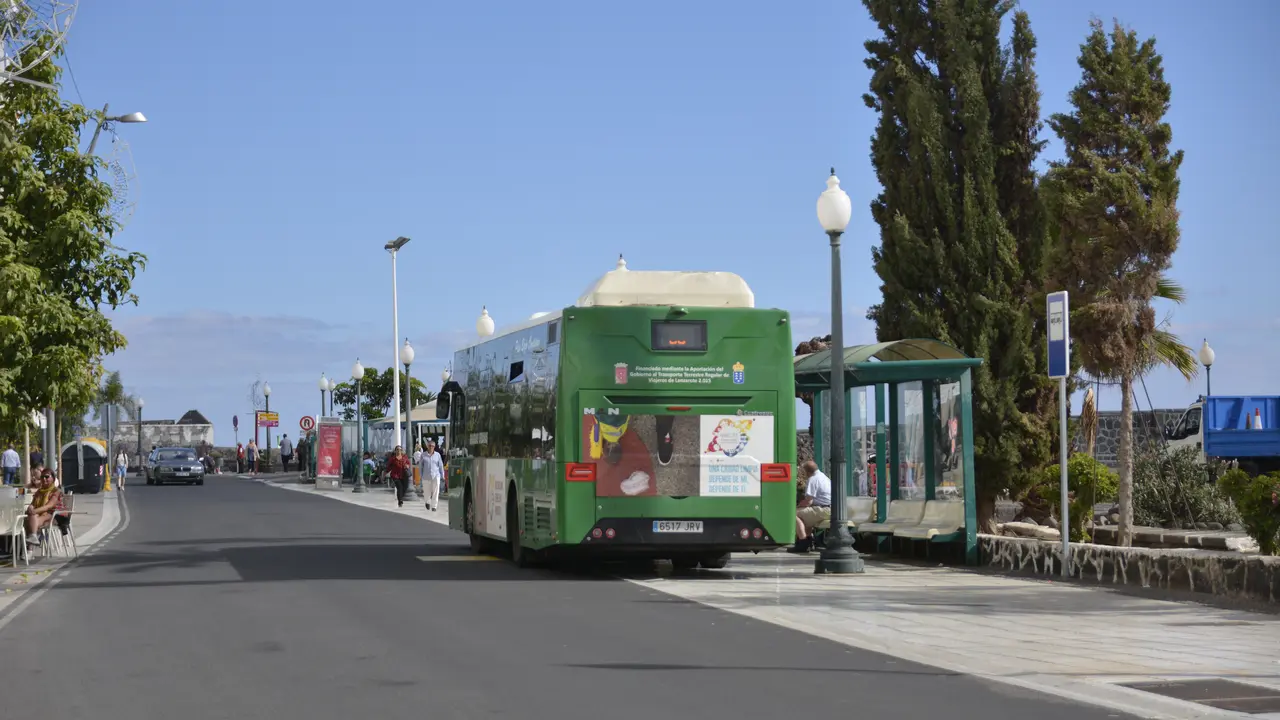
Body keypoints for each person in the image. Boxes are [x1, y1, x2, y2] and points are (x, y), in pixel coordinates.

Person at [791, 461, 832, 553]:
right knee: (806, 515)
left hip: (823, 510)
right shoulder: (824, 477)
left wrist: (797, 506)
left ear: (807, 471)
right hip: (830, 509)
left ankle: (803, 542)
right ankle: (809, 541)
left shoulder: (813, 479)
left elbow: (809, 501)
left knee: (792, 514)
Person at [24, 470, 62, 550]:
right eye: (42, 477)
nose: (44, 479)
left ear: (53, 479)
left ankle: (29, 549)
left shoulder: (56, 491)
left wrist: (34, 511)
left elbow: (49, 506)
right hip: (40, 515)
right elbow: (33, 504)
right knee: (31, 517)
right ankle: (33, 537)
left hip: (53, 515)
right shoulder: (39, 491)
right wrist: (31, 507)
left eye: (47, 477)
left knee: (32, 518)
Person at [419, 438, 445, 512]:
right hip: (426, 477)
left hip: (436, 476)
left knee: (435, 492)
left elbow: (440, 466)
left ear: (434, 447)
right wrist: (421, 476)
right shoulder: (423, 455)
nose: (431, 447)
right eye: (430, 445)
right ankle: (427, 502)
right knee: (427, 492)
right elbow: (420, 466)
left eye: (432, 446)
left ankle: (434, 506)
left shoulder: (437, 455)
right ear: (427, 446)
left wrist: (442, 475)